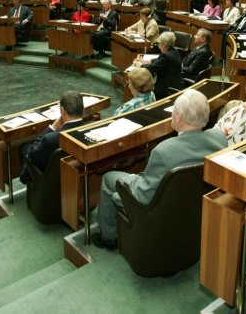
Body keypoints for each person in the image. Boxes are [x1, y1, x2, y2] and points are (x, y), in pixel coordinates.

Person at [92, 89, 226, 249]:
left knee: (109, 178)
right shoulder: (220, 139)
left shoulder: (163, 151)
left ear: (179, 117)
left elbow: (143, 195)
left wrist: (132, 179)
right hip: (193, 204)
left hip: (156, 209)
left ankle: (108, 238)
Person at [19, 91, 85, 183]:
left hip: (51, 182)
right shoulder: (90, 131)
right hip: (76, 178)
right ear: (83, 108)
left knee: (24, 148)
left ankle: (28, 183)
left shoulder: (50, 139)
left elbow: (32, 154)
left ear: (62, 111)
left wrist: (52, 128)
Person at [133, 32, 183, 99]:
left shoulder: (166, 56)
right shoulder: (174, 51)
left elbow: (150, 69)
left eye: (159, 44)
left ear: (164, 45)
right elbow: (159, 59)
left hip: (167, 88)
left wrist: (140, 65)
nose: (158, 46)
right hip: (175, 84)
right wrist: (145, 61)